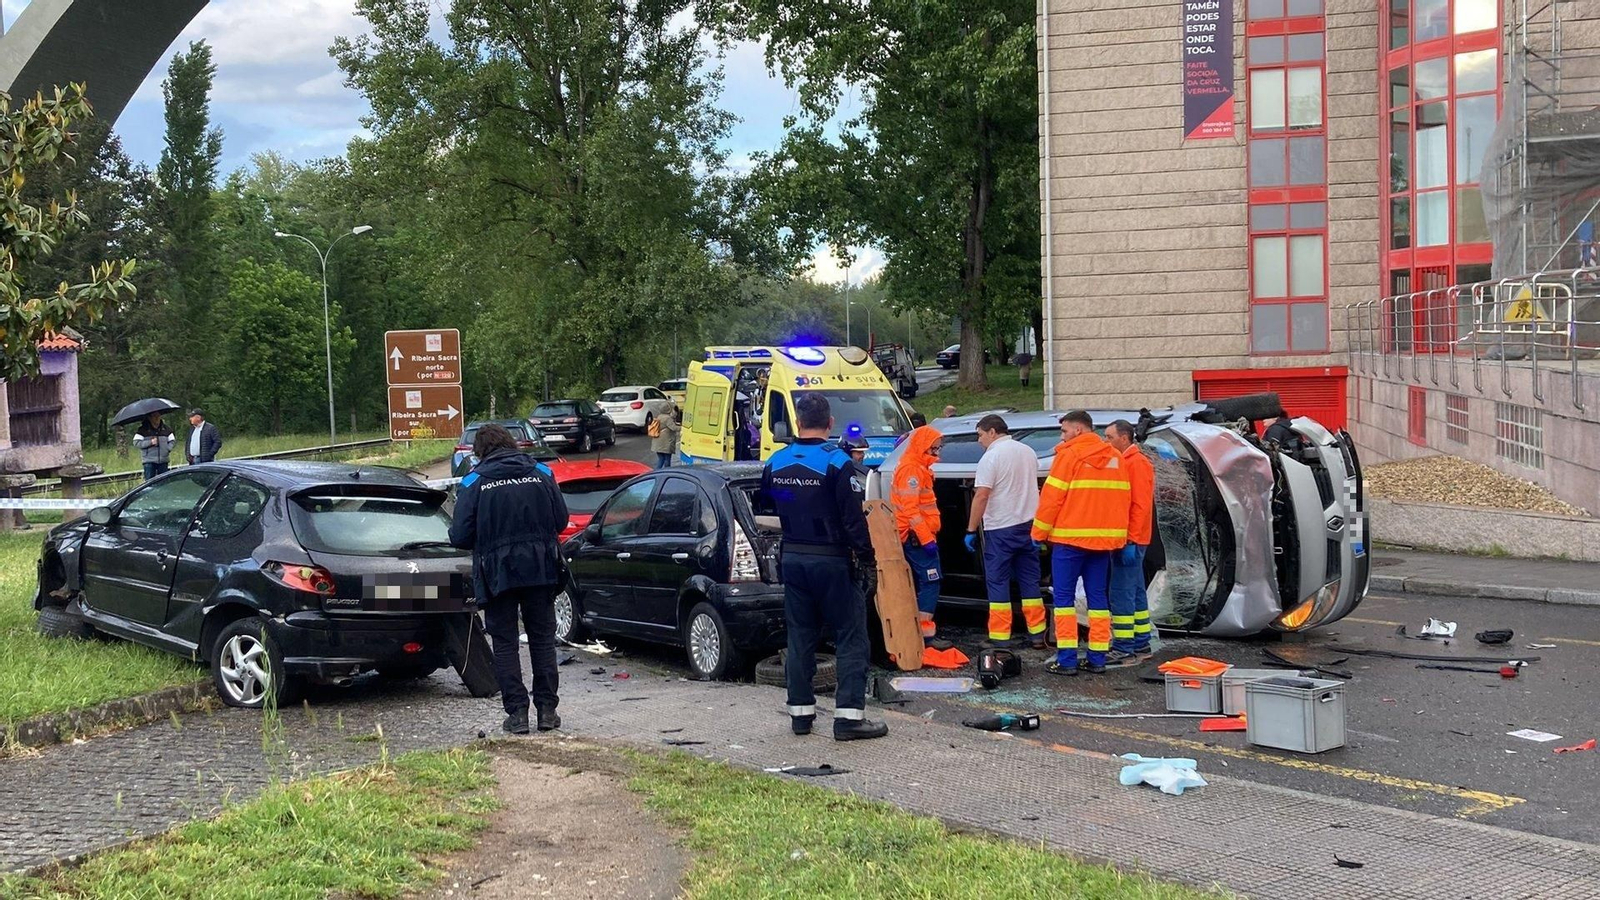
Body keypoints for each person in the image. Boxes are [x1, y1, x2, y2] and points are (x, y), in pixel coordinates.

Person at [760, 393, 887, 741]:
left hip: (794, 558)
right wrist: (868, 560)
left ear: (798, 422)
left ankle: (800, 716)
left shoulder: (777, 461)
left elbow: (767, 509)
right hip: (832, 560)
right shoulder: (837, 463)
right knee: (850, 636)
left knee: (800, 636)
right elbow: (853, 521)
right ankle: (848, 719)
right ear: (830, 423)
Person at [448, 423, 570, 735]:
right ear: (510, 443)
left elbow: (460, 535)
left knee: (504, 643)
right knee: (542, 639)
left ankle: (517, 715)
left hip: (497, 573)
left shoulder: (475, 481)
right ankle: (546, 711)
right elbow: (561, 520)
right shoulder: (541, 473)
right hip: (540, 569)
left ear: (480, 452)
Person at [1031, 410, 1131, 676]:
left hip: (1069, 539)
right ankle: (1097, 658)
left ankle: (1066, 659)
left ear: (1078, 430)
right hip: (1102, 542)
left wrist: (1038, 534)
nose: (1061, 436)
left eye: (1064, 431)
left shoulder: (1068, 456)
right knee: (1098, 599)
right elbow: (1123, 501)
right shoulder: (1115, 457)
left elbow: (1051, 499)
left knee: (1064, 600)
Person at [964, 415, 1045, 648]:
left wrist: (970, 528)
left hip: (1001, 527)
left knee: (998, 581)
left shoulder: (991, 457)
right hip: (1029, 525)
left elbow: (981, 495)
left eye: (980, 434)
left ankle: (1000, 638)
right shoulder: (1027, 451)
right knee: (1030, 580)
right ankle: (1037, 634)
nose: (979, 440)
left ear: (992, 432)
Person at [1105, 420, 1155, 663]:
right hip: (1131, 538)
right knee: (1134, 591)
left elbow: (1139, 505)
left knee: (1122, 592)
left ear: (1124, 438)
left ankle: (1124, 646)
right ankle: (1140, 642)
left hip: (1130, 539)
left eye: (1110, 437)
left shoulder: (1135, 464)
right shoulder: (1129, 462)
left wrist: (1131, 539)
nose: (1107, 442)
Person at [891, 425, 944, 640]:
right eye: (934, 448)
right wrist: (926, 539)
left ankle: (921, 633)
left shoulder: (918, 467)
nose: (937, 453)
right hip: (916, 537)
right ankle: (925, 635)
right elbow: (910, 510)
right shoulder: (912, 470)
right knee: (931, 582)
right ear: (923, 447)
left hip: (917, 536)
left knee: (924, 582)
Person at [133, 413, 176, 481]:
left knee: (164, 482)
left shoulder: (166, 429)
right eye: (154, 416)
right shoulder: (142, 430)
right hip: (149, 461)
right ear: (149, 418)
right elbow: (136, 442)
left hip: (163, 460)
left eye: (158, 416)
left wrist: (167, 449)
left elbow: (172, 441)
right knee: (149, 484)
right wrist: (150, 442)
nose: (157, 418)